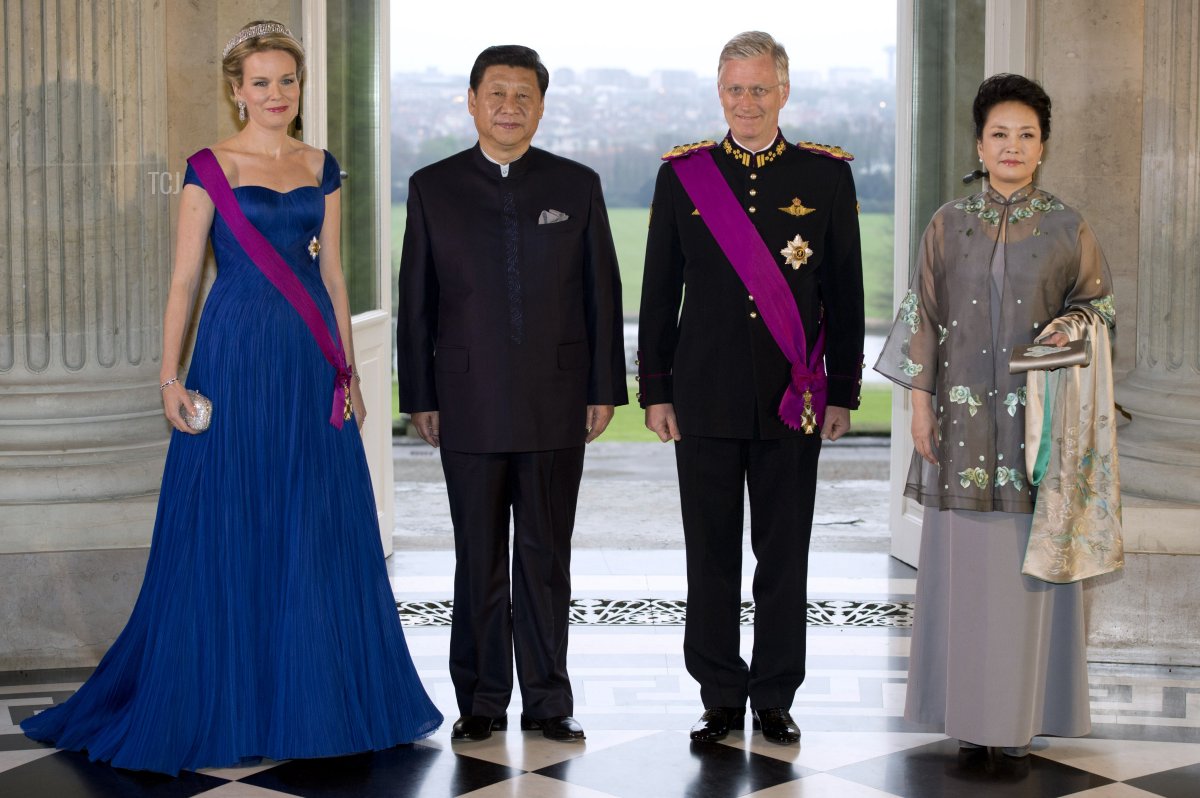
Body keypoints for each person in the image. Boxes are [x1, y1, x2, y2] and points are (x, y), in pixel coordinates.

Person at [20, 21, 442, 774]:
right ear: (236, 90)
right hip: (237, 356)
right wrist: (168, 376)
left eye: (287, 80)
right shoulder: (208, 167)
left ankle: (315, 696)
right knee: (231, 518)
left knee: (314, 525)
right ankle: (226, 696)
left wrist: (347, 371)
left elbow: (336, 277)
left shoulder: (323, 165)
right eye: (260, 82)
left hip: (310, 364)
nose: (275, 94)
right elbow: (185, 280)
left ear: (299, 86)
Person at [874, 73, 1117, 756]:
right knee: (965, 575)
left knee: (1024, 575)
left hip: (1037, 436)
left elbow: (1098, 310)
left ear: (1043, 147)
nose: (1012, 147)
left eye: (1027, 135)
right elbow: (921, 313)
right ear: (980, 144)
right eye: (999, 134)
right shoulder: (947, 225)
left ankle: (1021, 719)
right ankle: (965, 719)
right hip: (959, 427)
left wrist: (1062, 335)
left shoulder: (1069, 227)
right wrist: (919, 405)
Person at [638, 31, 864, 745]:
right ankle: (719, 694)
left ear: (783, 92)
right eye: (734, 89)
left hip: (790, 398)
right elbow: (656, 293)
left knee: (784, 554)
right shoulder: (683, 177)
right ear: (719, 92)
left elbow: (846, 293)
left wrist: (843, 391)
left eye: (759, 89)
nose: (746, 102)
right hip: (702, 396)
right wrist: (655, 388)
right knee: (709, 554)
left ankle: (773, 694)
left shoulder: (825, 177)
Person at [396, 45, 627, 743]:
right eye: (496, 93)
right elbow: (417, 302)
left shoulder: (576, 184)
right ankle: (482, 701)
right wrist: (421, 395)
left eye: (523, 95)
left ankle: (550, 701)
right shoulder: (432, 187)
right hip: (465, 401)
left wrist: (604, 387)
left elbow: (602, 294)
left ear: (541, 106)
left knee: (545, 558)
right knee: (478, 559)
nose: (509, 107)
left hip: (558, 402)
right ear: (471, 101)